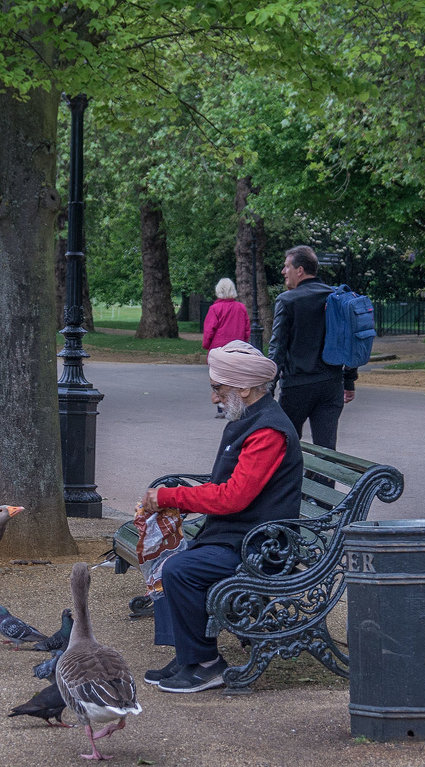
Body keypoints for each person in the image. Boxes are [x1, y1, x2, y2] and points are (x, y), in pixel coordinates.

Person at [138, 340, 303, 693]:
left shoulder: (267, 431)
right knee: (171, 558)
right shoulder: (250, 420)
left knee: (179, 569)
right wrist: (175, 503)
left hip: (262, 546)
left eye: (218, 388)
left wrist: (170, 496)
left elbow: (233, 497)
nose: (214, 397)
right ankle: (189, 656)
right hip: (242, 535)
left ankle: (208, 665)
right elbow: (228, 490)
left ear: (244, 388)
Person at [267, 245, 358, 450]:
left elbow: (277, 349)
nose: (283, 272)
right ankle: (324, 483)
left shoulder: (287, 300)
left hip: (297, 386)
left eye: (286, 266)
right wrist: (349, 381)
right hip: (330, 384)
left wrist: (268, 388)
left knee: (285, 446)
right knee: (327, 450)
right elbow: (349, 342)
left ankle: (292, 483)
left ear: (300, 270)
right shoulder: (336, 297)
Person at [202, 277, 251, 418]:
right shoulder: (241, 308)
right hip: (236, 349)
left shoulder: (215, 309)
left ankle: (222, 405)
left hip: (219, 349)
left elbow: (209, 330)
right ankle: (236, 405)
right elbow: (247, 329)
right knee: (235, 377)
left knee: (219, 378)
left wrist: (206, 345)